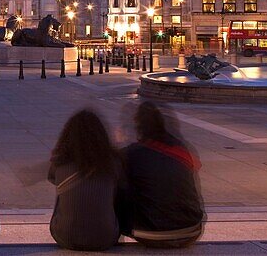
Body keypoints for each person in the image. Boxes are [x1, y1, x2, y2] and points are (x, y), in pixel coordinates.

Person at [119, 101, 205, 248]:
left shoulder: (132, 153)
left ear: (138, 126)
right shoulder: (182, 149)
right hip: (191, 229)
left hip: (151, 233)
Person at [48, 109, 121, 250]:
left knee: (63, 194)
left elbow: (52, 178)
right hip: (106, 239)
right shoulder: (113, 162)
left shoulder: (60, 161)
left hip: (65, 237)